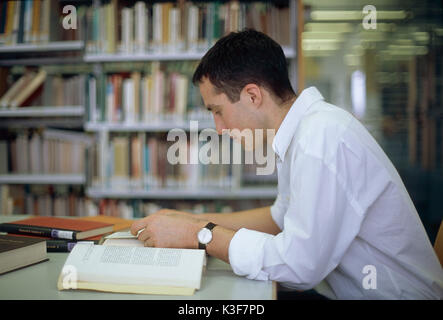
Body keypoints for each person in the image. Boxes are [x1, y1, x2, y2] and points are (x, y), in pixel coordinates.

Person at [131, 29, 443, 299]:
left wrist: (199, 234)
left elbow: (299, 266)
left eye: (218, 111)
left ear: (253, 96)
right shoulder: (302, 131)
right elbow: (279, 218)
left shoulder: (320, 138)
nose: (219, 129)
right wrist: (187, 220)